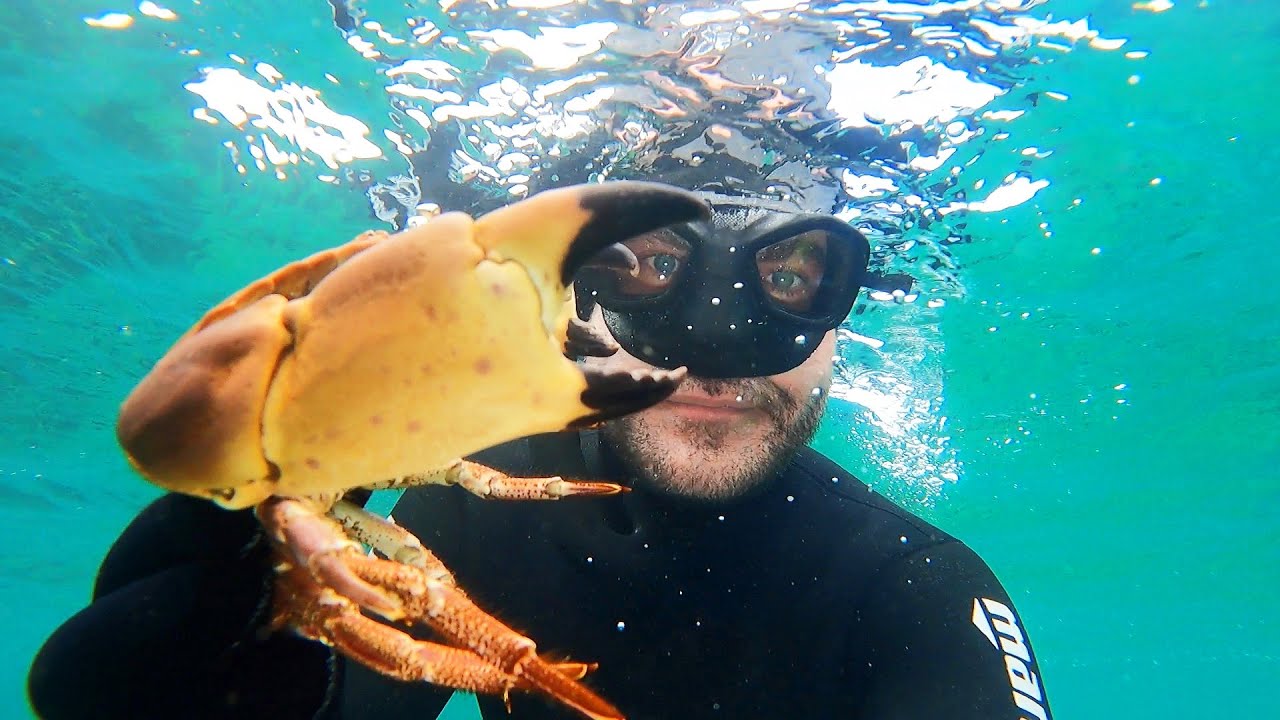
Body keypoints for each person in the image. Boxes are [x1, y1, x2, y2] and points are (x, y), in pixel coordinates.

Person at [27, 161, 1053, 720]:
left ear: (843, 322)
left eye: (789, 280)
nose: (717, 348)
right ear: (579, 294)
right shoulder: (465, 510)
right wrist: (249, 683)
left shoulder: (916, 588)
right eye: (647, 267)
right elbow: (364, 694)